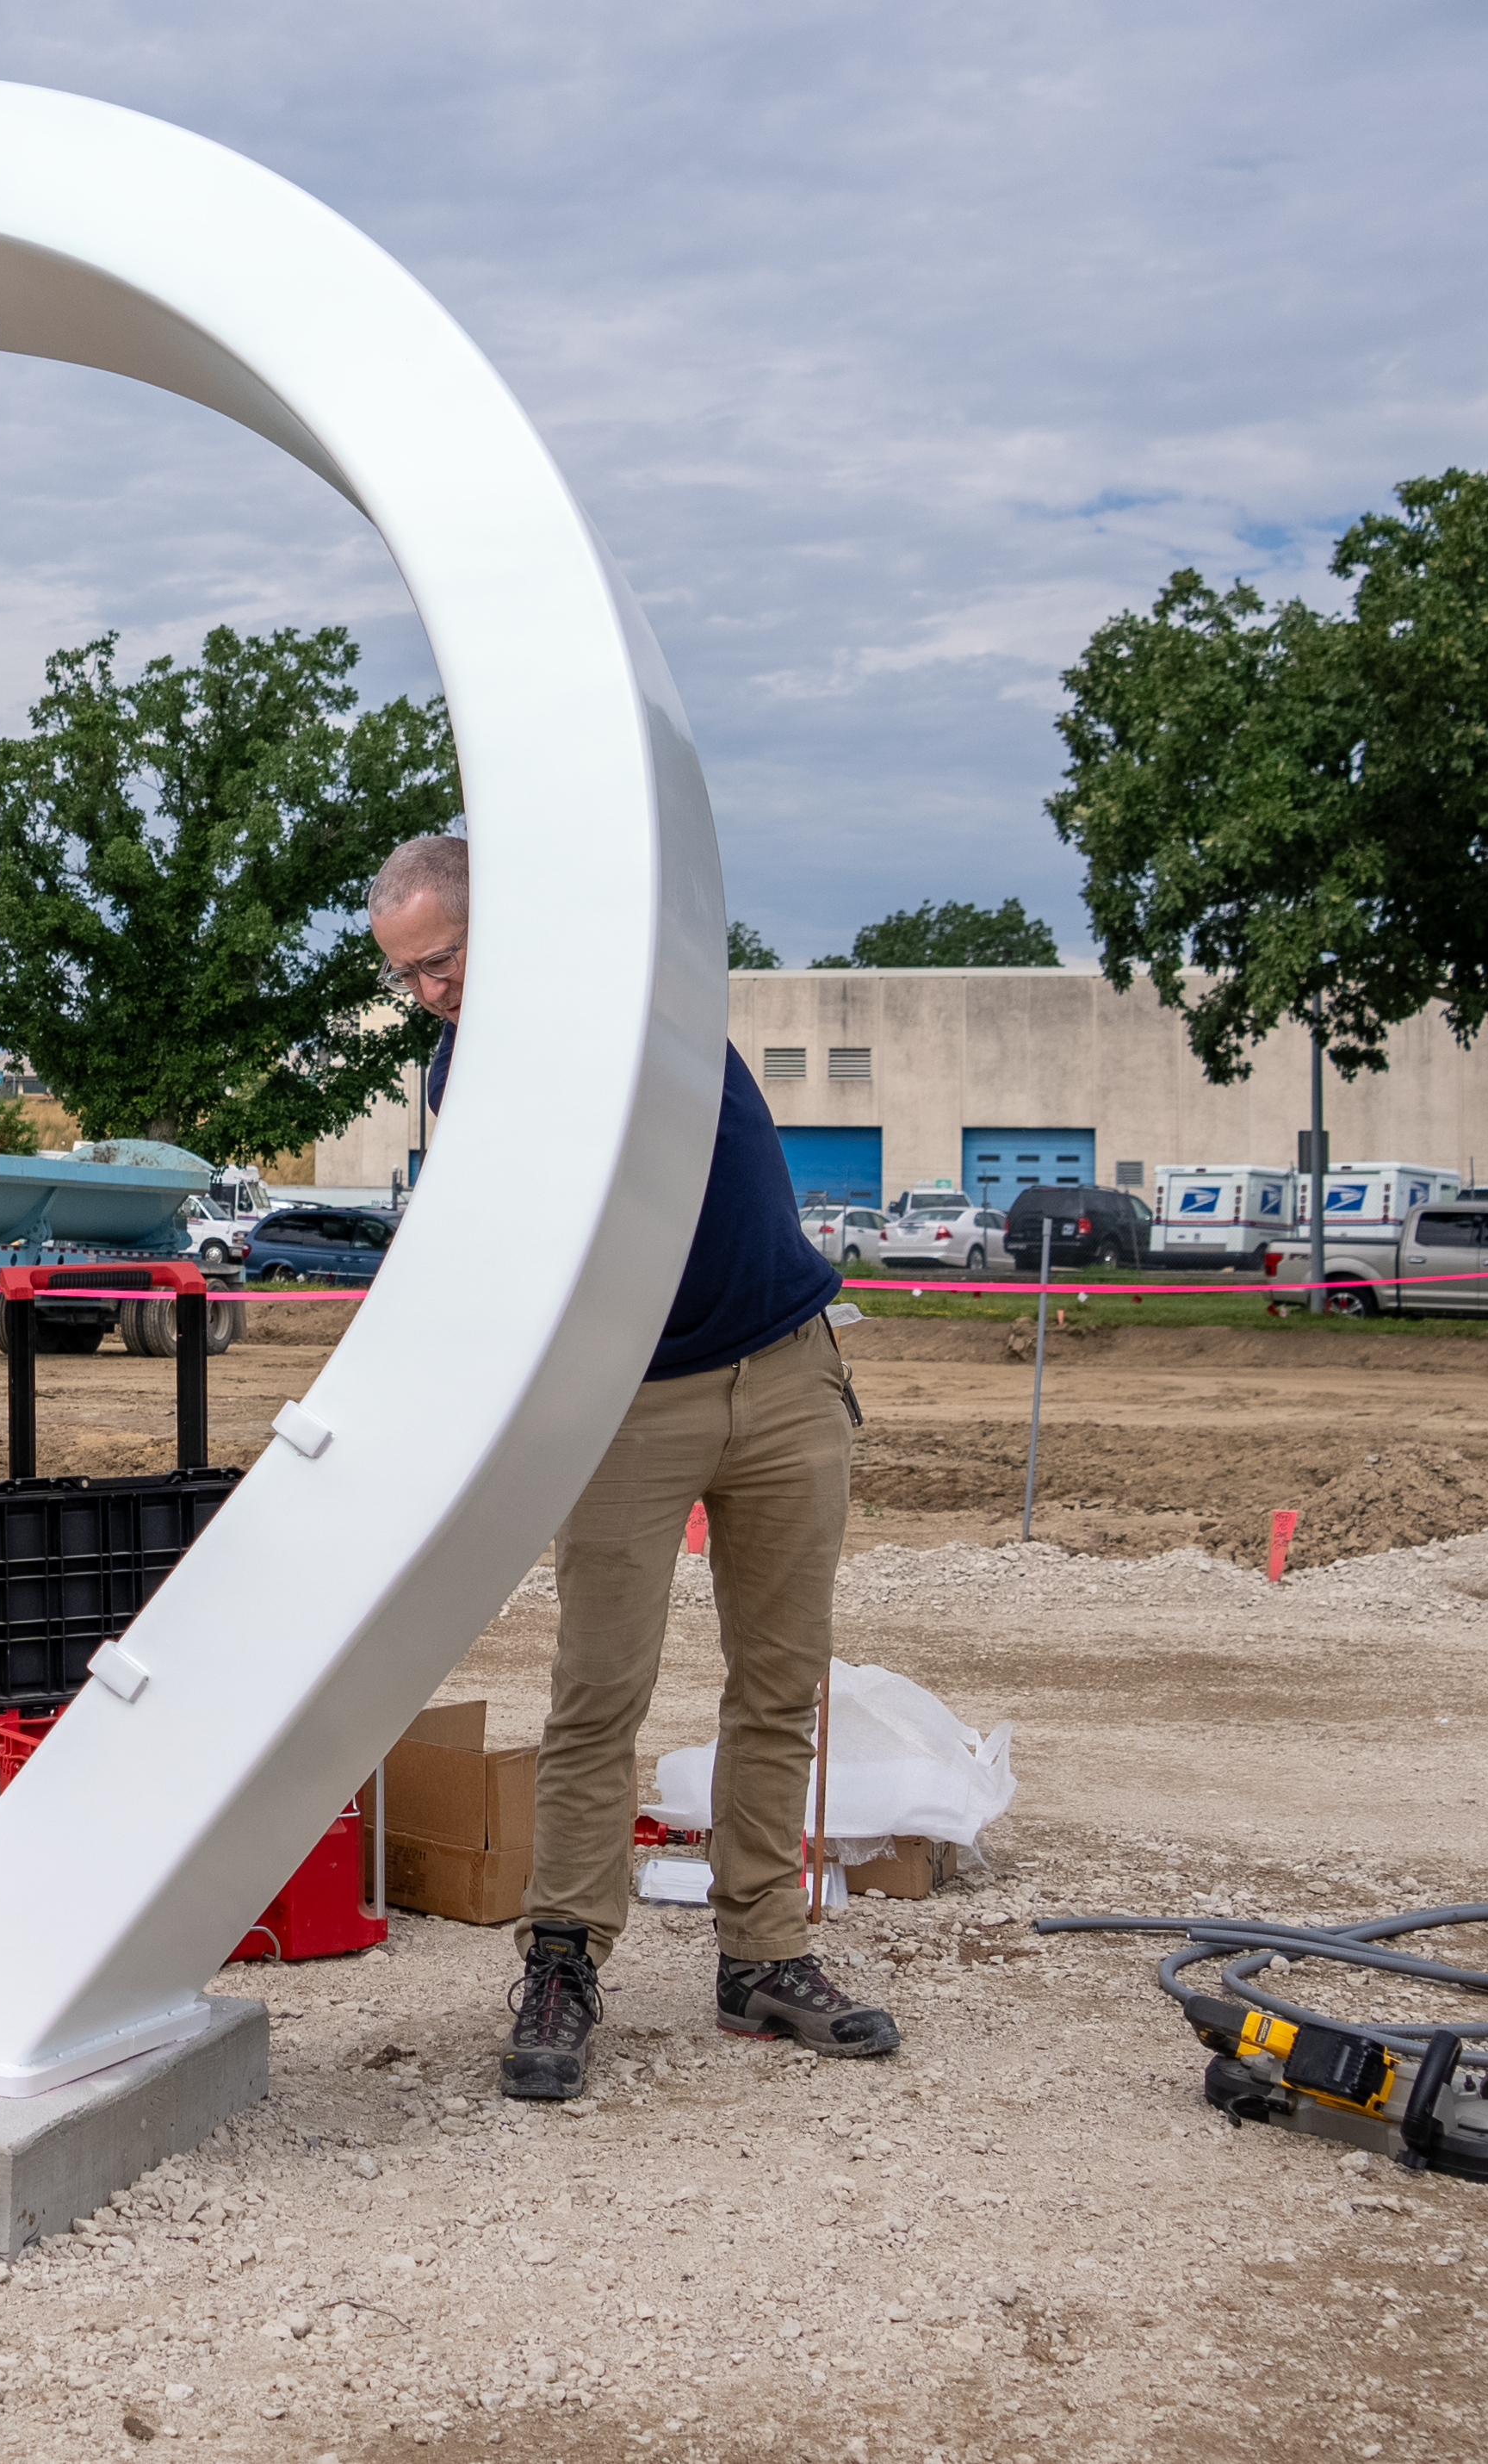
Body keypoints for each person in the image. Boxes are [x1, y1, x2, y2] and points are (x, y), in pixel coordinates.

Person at [363, 830, 898, 2102]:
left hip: (787, 1372)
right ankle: (563, 1961)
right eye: (408, 975)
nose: (430, 991)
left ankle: (762, 1957)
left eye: (443, 959)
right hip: (628, 1402)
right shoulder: (468, 1067)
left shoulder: (637, 985)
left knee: (779, 1686)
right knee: (598, 1691)